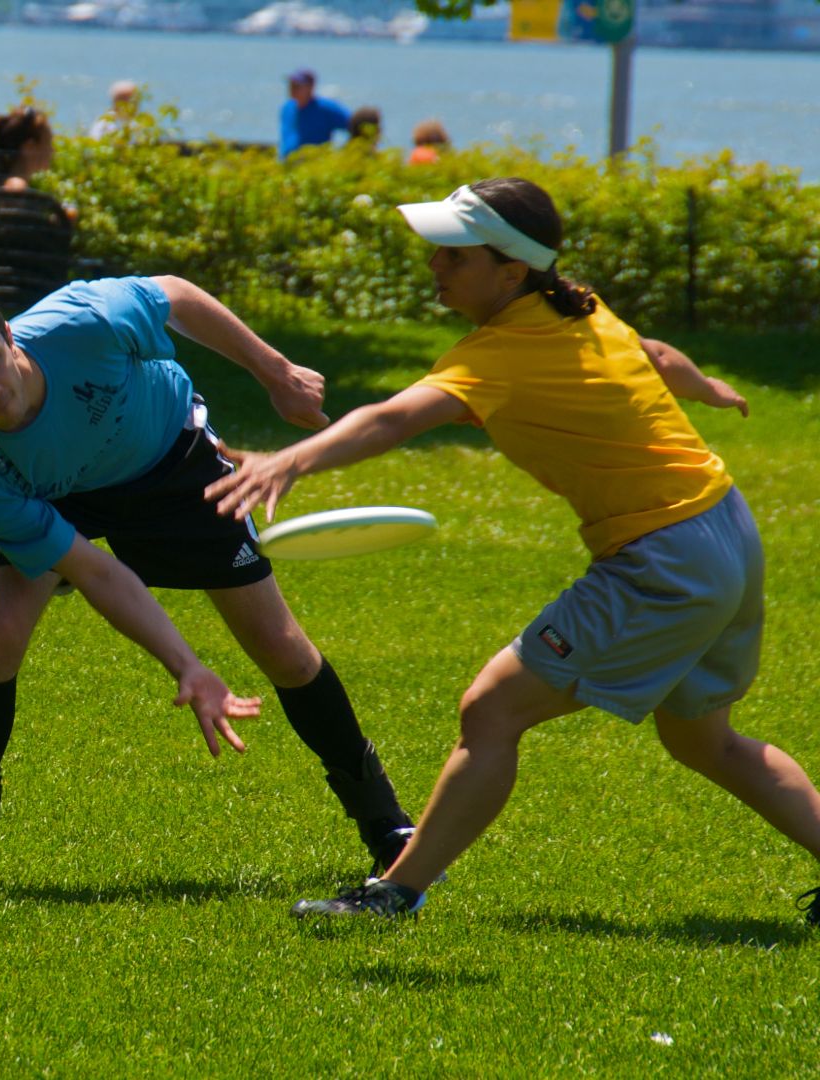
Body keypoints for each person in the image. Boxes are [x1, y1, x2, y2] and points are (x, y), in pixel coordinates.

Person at [206, 178, 820, 925]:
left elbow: (394, 417)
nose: (436, 263)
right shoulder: (579, 305)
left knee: (491, 708)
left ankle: (394, 893)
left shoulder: (502, 351)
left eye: (455, 255)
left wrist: (289, 461)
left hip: (664, 556)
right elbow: (655, 354)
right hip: (728, 528)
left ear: (511, 270)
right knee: (707, 742)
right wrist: (709, 387)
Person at [0, 277, 418, 885]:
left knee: (279, 647)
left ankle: (387, 824)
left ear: (10, 336)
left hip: (170, 463)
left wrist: (275, 372)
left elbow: (176, 296)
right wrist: (185, 665)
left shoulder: (86, 324)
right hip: (53, 495)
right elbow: (95, 571)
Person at [0, 106, 58, 195]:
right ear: (29, 147)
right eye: (48, 143)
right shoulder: (16, 186)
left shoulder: (6, 183)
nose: (53, 150)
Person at [279, 69, 350, 160]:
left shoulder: (326, 108)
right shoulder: (287, 108)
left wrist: (344, 154)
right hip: (287, 166)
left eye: (297, 86)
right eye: (291, 85)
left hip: (314, 167)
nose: (292, 89)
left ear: (310, 87)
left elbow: (356, 124)